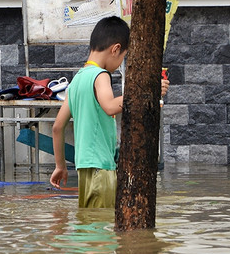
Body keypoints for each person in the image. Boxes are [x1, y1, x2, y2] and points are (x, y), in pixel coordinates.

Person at [48, 15, 168, 207]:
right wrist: (149, 92)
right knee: (103, 228)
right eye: (122, 58)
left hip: (84, 169)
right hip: (101, 168)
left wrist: (60, 166)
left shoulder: (77, 80)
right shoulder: (101, 75)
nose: (120, 64)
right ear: (116, 49)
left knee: (89, 227)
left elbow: (57, 127)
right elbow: (110, 106)